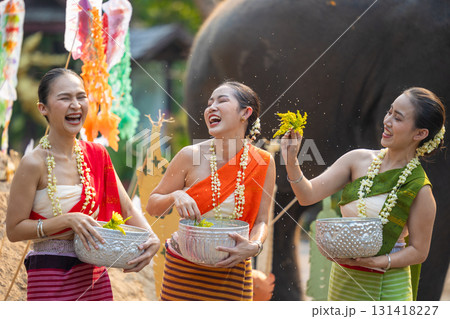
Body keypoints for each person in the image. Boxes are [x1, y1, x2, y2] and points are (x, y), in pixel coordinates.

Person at [6, 68, 160, 301]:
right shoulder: (33, 163)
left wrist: (151, 238)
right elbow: (14, 230)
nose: (76, 105)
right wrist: (66, 220)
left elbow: (127, 209)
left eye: (81, 97)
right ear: (43, 108)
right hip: (49, 275)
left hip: (93, 275)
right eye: (65, 98)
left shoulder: (97, 154)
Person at [281, 87, 445, 301]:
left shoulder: (419, 188)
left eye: (398, 117)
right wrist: (292, 161)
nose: (386, 121)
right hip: (344, 279)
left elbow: (419, 251)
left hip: (387, 286)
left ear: (420, 133)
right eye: (389, 111)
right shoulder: (356, 160)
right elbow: (307, 196)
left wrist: (377, 262)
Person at [146, 81, 276, 300]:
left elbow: (262, 220)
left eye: (222, 100)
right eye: (209, 103)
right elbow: (153, 206)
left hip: (233, 268)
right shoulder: (189, 155)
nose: (211, 108)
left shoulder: (262, 161)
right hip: (184, 270)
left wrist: (254, 246)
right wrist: (177, 195)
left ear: (245, 112)